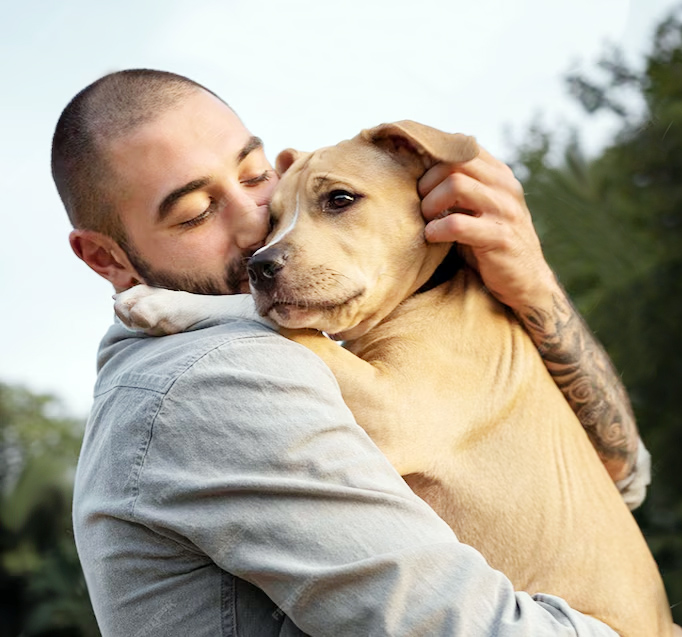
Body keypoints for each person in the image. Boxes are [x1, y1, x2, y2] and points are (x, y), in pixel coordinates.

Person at [53, 69, 650, 636]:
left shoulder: (412, 330)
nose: (262, 229)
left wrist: (535, 290)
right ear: (107, 259)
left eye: (258, 176)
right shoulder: (215, 373)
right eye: (195, 213)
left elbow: (622, 476)